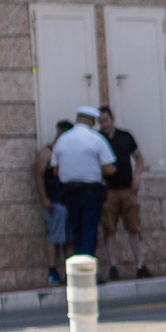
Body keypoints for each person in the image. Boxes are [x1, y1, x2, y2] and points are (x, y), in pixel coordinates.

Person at [48, 103, 115, 263]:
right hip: (90, 192)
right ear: (91, 121)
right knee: (89, 230)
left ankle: (77, 270)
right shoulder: (96, 139)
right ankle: (88, 273)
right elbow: (108, 169)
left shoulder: (62, 140)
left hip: (68, 192)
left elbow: (55, 171)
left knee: (75, 230)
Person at [96, 105, 149, 281]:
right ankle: (113, 266)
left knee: (134, 228)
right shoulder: (98, 139)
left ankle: (140, 264)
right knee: (109, 230)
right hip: (108, 192)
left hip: (127, 190)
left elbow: (138, 157)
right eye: (101, 121)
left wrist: (137, 176)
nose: (104, 124)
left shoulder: (125, 136)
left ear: (112, 119)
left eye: (106, 120)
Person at [35, 121, 72, 284]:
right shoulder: (47, 153)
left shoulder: (66, 151)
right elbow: (38, 175)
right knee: (55, 237)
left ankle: (70, 272)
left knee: (68, 239)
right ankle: (52, 271)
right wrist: (44, 199)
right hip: (54, 202)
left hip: (67, 201)